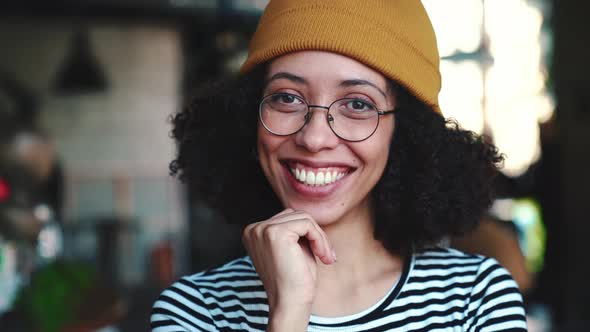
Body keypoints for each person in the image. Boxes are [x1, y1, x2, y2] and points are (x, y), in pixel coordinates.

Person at [151, 0, 527, 331]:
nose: (314, 139)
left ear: (406, 133)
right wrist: (289, 313)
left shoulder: (474, 298)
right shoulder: (194, 311)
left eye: (358, 104)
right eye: (286, 98)